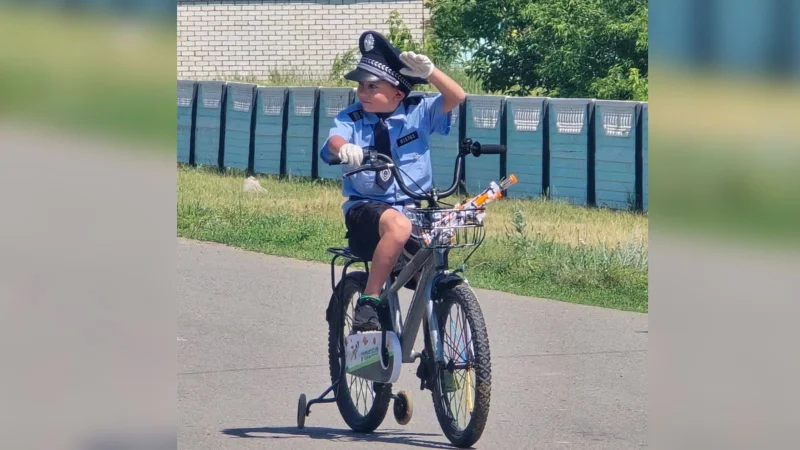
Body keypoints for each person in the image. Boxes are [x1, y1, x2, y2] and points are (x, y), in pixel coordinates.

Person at [319, 30, 466, 332]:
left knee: (435, 264)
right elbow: (334, 140)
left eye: (373, 87)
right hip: (366, 211)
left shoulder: (418, 112)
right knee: (398, 226)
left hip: (411, 207)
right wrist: (344, 148)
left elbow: (457, 97)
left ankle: (436, 359)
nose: (363, 92)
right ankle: (369, 301)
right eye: (361, 85)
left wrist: (431, 72)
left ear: (399, 92)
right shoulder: (353, 117)